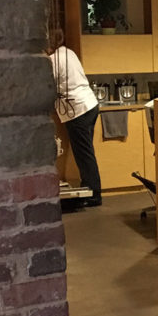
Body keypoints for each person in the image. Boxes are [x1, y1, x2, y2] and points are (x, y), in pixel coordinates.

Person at [50, 34, 102, 207]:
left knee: (84, 154)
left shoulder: (53, 60)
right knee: (86, 152)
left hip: (78, 110)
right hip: (89, 105)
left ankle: (94, 195)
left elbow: (46, 87)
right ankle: (89, 189)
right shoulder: (68, 52)